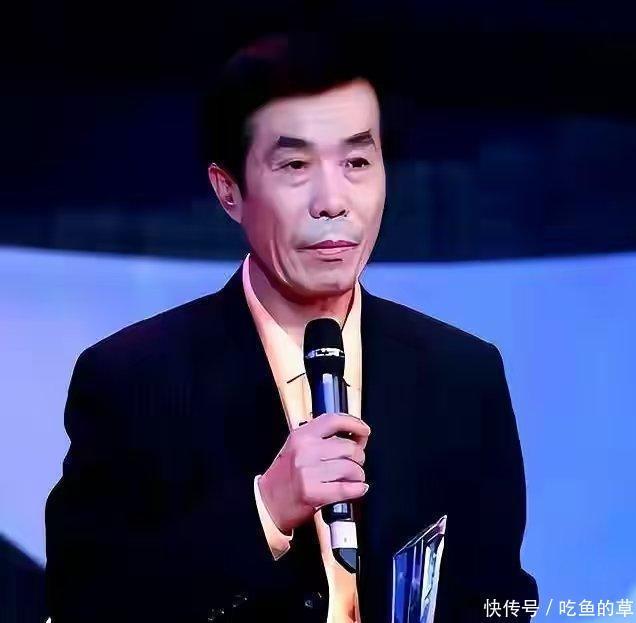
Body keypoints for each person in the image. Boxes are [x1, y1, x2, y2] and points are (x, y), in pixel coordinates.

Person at [45, 33, 538, 623]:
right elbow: (86, 603)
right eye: (296, 166)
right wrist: (266, 512)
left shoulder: (463, 374)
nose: (333, 201)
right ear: (229, 190)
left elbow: (500, 598)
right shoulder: (131, 381)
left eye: (357, 162)